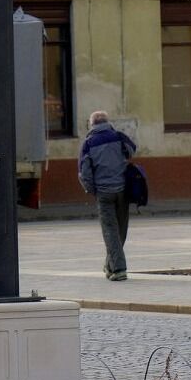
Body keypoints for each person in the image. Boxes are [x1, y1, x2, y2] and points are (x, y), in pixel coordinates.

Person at [78, 111, 136, 281]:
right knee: (121, 230)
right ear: (107, 122)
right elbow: (132, 150)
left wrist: (91, 189)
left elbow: (84, 173)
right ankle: (111, 266)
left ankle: (118, 269)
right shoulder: (119, 136)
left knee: (110, 231)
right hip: (123, 190)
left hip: (103, 192)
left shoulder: (88, 144)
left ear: (92, 125)